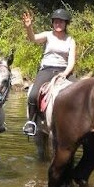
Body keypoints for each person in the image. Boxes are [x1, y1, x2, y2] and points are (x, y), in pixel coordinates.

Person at [21, 8, 76, 136]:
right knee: (33, 94)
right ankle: (31, 122)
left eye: (61, 22)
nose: (58, 24)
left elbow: (72, 61)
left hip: (64, 70)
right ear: (52, 23)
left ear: (66, 24)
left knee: (82, 92)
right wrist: (29, 27)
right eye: (56, 21)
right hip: (47, 69)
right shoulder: (48, 35)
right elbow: (33, 38)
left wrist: (65, 73)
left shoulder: (70, 40)